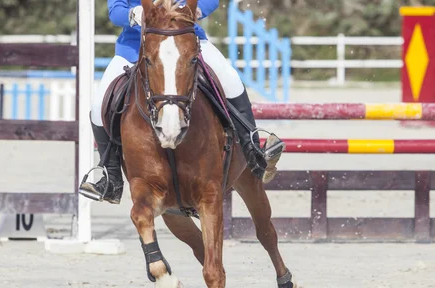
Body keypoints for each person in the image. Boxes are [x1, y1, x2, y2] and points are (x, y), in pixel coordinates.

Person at [79, 0, 284, 204]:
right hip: (136, 46)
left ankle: (253, 150)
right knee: (98, 106)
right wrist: (135, 14)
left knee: (230, 78)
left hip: (185, 40)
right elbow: (115, 10)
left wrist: (198, 9)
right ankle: (111, 176)